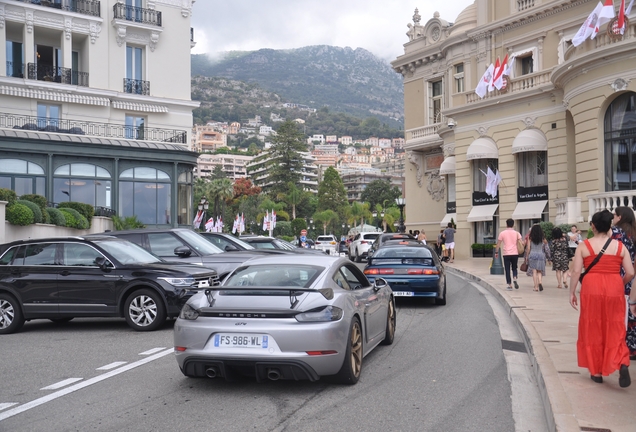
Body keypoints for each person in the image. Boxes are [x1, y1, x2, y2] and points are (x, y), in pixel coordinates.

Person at [570, 209, 634, 387]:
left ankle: (596, 371)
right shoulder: (620, 247)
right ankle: (621, 360)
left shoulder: (584, 246)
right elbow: (630, 272)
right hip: (614, 286)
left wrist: (571, 292)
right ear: (609, 226)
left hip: (591, 287)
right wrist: (618, 283)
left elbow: (576, 271)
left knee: (593, 325)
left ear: (593, 226)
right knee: (614, 325)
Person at [611, 206, 636, 360]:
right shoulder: (634, 233)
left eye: (614, 215)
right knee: (633, 314)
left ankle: (622, 347)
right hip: (633, 277)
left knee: (622, 314)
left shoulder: (616, 233)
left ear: (619, 217)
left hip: (620, 275)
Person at [494, 218, 523, 290]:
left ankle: (509, 284)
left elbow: (498, 244)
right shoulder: (517, 233)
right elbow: (522, 243)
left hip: (506, 253)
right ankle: (515, 278)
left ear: (506, 224)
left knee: (507, 269)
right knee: (514, 267)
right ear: (513, 224)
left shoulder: (502, 233)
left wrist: (496, 252)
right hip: (515, 253)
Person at [525, 224, 551, 292]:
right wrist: (549, 257)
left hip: (533, 254)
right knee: (539, 271)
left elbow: (528, 248)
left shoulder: (530, 238)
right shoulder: (543, 238)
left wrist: (527, 256)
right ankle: (540, 282)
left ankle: (536, 287)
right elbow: (547, 248)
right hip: (541, 255)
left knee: (534, 271)